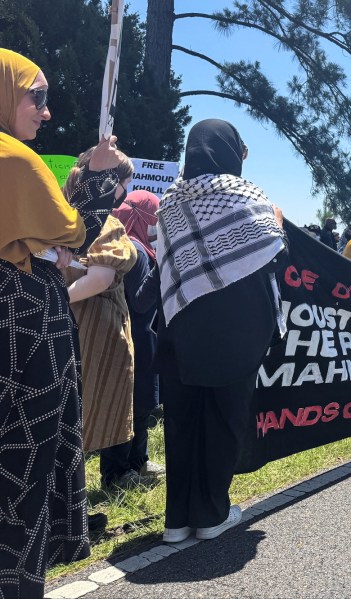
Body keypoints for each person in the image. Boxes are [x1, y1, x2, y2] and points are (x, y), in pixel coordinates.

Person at [0, 48, 124, 598]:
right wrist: (97, 180)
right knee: (23, 476)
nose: (46, 112)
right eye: (38, 96)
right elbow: (75, 233)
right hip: (23, 330)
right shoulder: (15, 162)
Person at [155, 119, 288, 543]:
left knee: (181, 421)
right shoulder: (246, 195)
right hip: (235, 328)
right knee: (224, 418)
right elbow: (274, 252)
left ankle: (176, 520)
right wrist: (278, 220)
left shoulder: (169, 202)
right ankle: (211, 514)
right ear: (231, 150)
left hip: (181, 325)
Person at [61, 149, 140, 476]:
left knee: (64, 414)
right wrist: (61, 300)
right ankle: (70, 513)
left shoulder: (61, 215)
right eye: (125, 183)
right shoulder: (105, 223)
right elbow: (101, 278)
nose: (126, 191)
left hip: (64, 327)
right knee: (82, 416)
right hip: (93, 330)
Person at [101, 190, 167, 489]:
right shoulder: (136, 251)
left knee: (140, 405)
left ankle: (138, 461)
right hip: (134, 339)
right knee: (126, 406)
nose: (156, 224)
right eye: (154, 216)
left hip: (137, 337)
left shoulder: (127, 246)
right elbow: (141, 303)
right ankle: (117, 472)